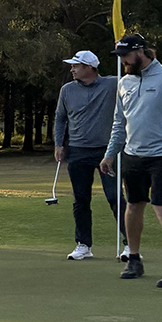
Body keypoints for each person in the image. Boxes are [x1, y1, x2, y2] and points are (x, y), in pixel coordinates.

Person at [99, 35, 162, 287]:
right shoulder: (125, 83)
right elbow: (119, 123)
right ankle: (134, 259)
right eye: (120, 56)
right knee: (133, 205)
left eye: (126, 55)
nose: (123, 61)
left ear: (141, 52)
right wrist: (110, 153)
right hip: (133, 154)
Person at [52, 49, 120, 260]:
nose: (72, 70)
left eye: (76, 66)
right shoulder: (67, 90)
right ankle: (83, 245)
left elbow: (135, 80)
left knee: (115, 197)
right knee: (81, 199)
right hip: (78, 150)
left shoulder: (113, 83)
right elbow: (60, 118)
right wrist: (58, 144)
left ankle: (130, 244)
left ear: (90, 67)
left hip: (107, 151)